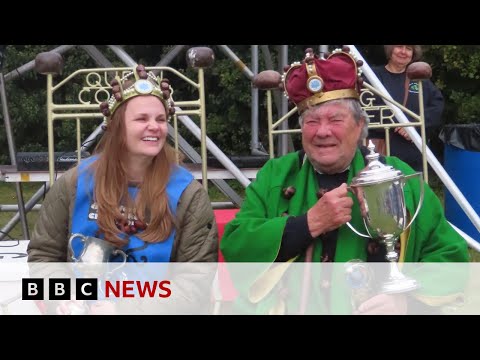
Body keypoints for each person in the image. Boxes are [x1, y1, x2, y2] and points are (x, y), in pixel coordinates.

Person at [220, 47, 469, 315]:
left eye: (336, 119)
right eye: (312, 121)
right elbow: (237, 246)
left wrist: (407, 301)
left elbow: (450, 258)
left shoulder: (398, 177)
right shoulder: (276, 175)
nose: (323, 131)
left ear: (360, 126)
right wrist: (308, 224)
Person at [27, 65, 218, 313]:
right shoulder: (74, 183)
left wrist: (123, 308)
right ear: (118, 128)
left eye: (160, 119)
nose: (155, 126)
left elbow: (195, 284)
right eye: (142, 119)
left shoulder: (188, 195)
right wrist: (61, 296)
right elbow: (43, 255)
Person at [367, 45, 445, 171]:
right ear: (390, 50)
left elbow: (437, 105)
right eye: (399, 47)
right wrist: (401, 123)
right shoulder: (373, 76)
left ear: (413, 54)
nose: (403, 52)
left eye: (408, 49)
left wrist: (413, 124)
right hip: (383, 153)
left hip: (413, 152)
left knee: (415, 189)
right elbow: (368, 108)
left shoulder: (418, 79)